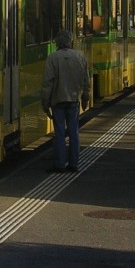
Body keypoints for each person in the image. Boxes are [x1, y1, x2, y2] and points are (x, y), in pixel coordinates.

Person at [41, 29, 91, 173]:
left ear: (57, 42)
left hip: (58, 101)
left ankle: (60, 163)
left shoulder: (52, 58)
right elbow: (86, 81)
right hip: (74, 100)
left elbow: (47, 83)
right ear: (71, 41)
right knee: (74, 132)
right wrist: (85, 99)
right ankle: (74, 163)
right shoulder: (80, 57)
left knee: (59, 134)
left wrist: (45, 104)